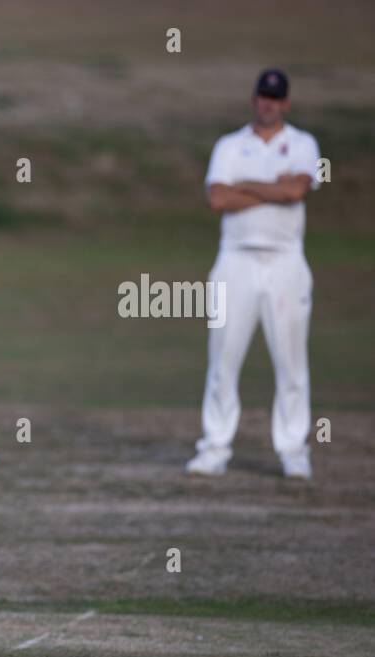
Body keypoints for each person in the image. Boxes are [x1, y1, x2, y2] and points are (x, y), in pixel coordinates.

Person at [187, 69, 323, 480]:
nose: (269, 103)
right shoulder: (230, 146)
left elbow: (296, 191)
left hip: (285, 262)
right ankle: (214, 447)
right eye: (263, 96)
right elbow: (218, 198)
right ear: (254, 100)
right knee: (223, 358)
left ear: (286, 104)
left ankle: (293, 449)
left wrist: (246, 186)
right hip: (235, 261)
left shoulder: (302, 144)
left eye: (276, 98)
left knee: (291, 362)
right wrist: (270, 187)